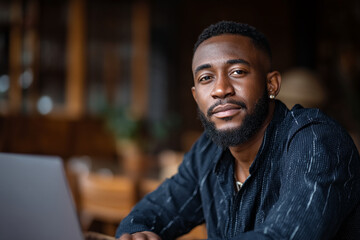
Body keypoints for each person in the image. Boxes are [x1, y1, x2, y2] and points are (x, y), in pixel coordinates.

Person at [116, 21, 360, 240]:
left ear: (271, 84)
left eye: (237, 72)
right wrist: (138, 235)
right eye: (206, 78)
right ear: (196, 96)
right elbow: (147, 215)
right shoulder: (207, 151)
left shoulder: (315, 141)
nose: (220, 89)